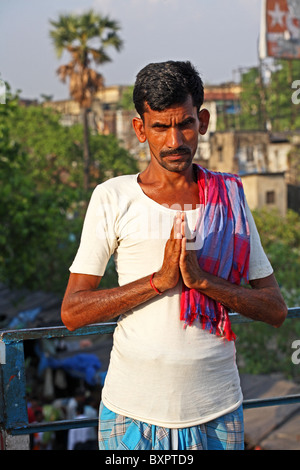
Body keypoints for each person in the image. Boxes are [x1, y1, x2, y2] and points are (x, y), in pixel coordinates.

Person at [61, 61, 288, 451]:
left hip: (217, 409)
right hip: (133, 412)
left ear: (202, 121)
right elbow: (72, 312)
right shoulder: (113, 197)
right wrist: (158, 282)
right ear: (139, 129)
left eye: (183, 124)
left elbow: (274, 309)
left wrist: (204, 282)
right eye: (159, 127)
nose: (173, 141)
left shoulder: (230, 197)